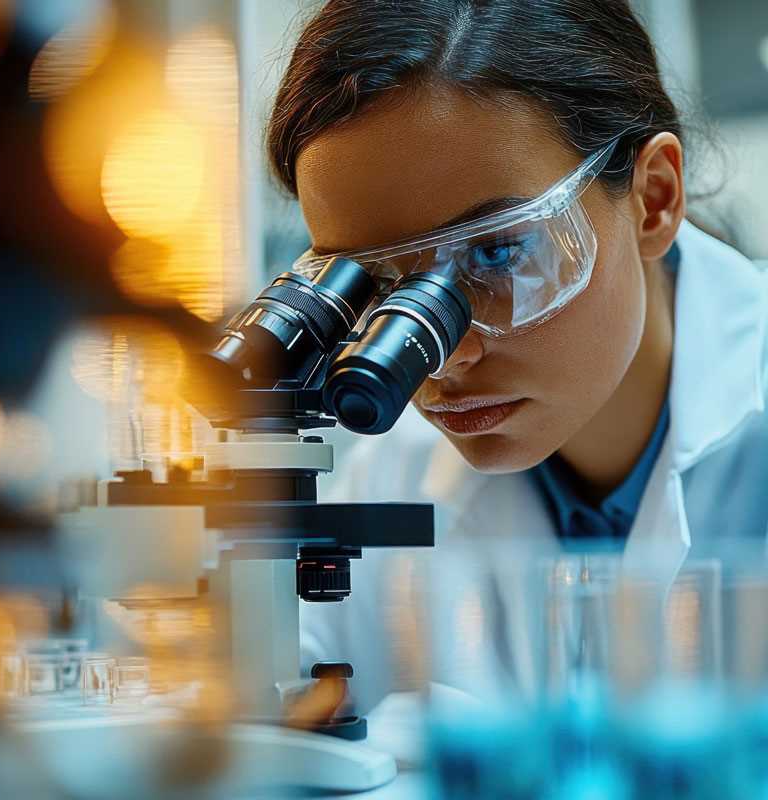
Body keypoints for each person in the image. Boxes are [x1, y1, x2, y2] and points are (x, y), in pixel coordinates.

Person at [265, 0, 768, 714]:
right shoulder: (393, 472)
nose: (442, 359)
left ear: (654, 199)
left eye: (498, 252)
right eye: (374, 285)